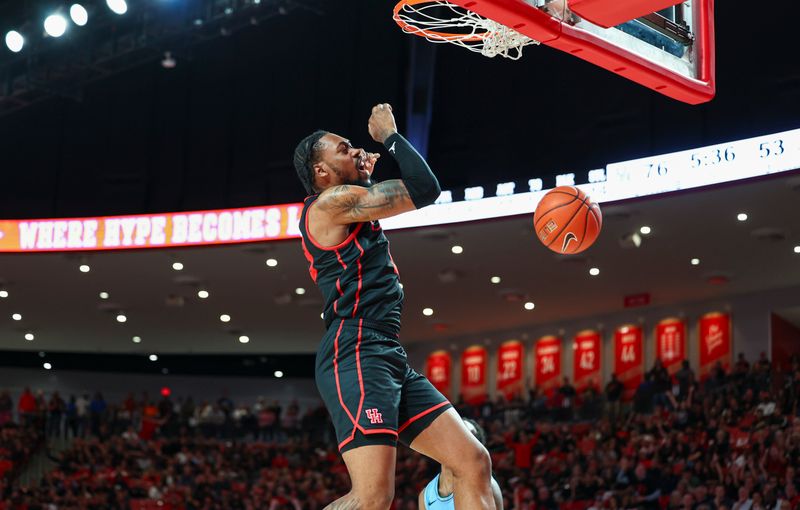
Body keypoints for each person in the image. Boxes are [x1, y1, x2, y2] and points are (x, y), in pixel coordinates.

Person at [294, 103, 494, 509]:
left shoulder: (352, 205)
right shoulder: (328, 205)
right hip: (355, 347)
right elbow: (424, 188)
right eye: (343, 148)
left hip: (385, 349)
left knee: (473, 461)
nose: (355, 150)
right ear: (321, 172)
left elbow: (399, 193)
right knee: (372, 497)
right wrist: (389, 135)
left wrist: (368, 173)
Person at [418, 418, 503, 509]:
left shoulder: (488, 484)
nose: (460, 438)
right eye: (456, 432)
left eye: (468, 435)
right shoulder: (425, 496)